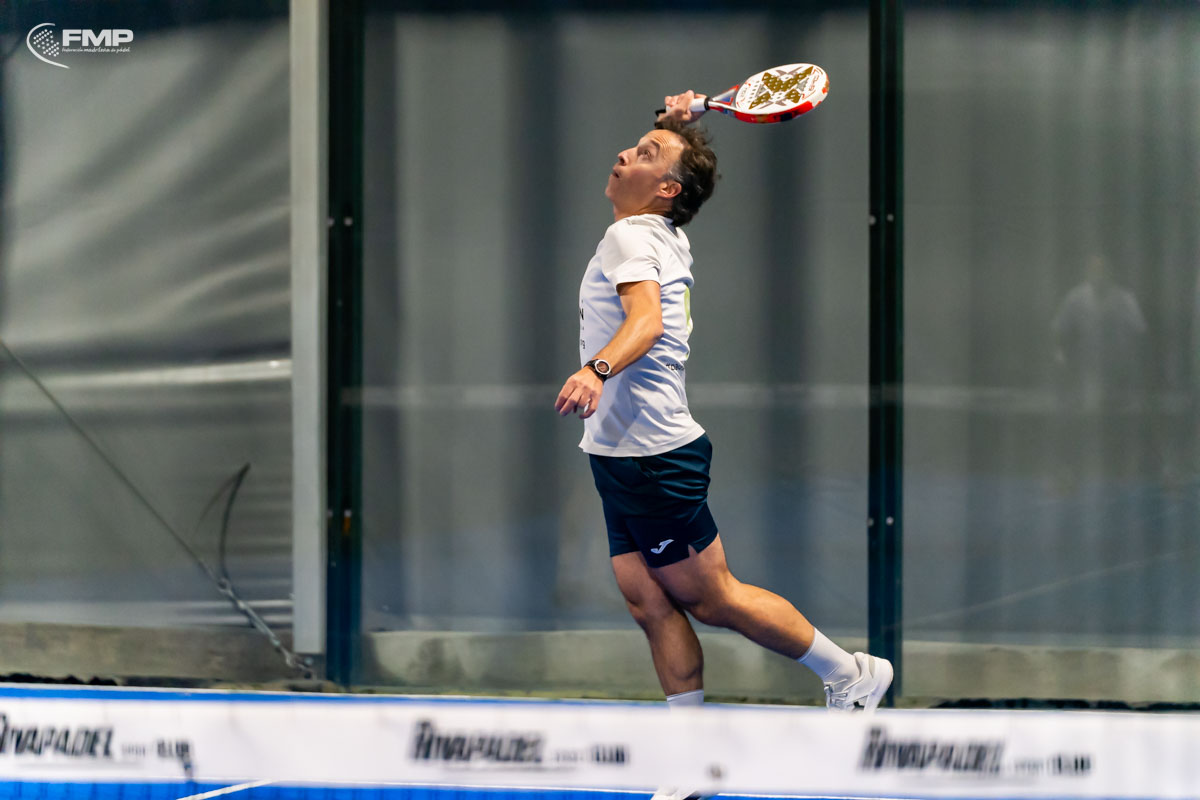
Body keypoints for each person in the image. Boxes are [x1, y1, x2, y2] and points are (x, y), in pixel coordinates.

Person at [554, 91, 893, 719]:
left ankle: (850, 675)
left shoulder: (631, 234)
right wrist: (674, 126)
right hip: (618, 451)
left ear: (667, 190)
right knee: (647, 601)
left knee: (712, 598)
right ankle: (688, 748)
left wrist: (595, 370)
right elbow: (673, 169)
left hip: (652, 456)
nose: (624, 154)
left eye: (644, 154)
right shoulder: (658, 232)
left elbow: (646, 321)